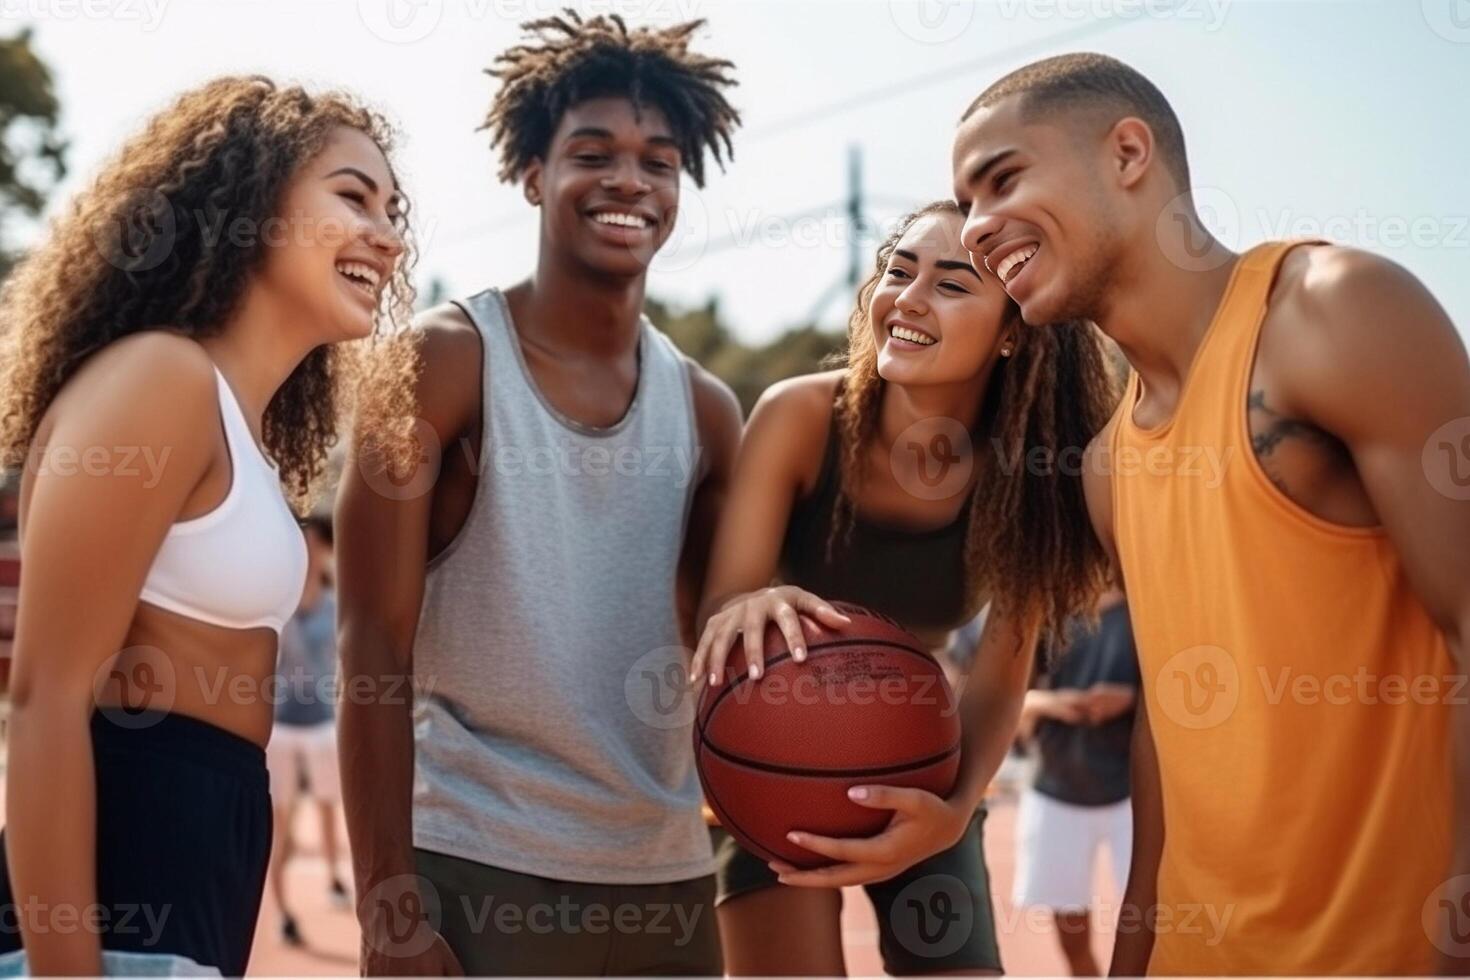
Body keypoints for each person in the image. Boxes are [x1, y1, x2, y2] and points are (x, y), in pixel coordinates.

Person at [952, 52, 1470, 973]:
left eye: (1003, 179)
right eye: (967, 205)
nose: (980, 227)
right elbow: (1166, 730)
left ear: (1128, 152)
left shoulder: (1331, 311)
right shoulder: (1109, 462)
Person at [335, 11, 743, 976]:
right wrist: (389, 907)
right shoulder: (442, 361)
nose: (629, 181)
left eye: (660, 160)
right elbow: (371, 645)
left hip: (667, 878)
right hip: (478, 862)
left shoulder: (711, 411)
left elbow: (727, 645)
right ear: (532, 173)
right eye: (591, 152)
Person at [0, 75, 411, 975]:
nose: (385, 235)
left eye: (393, 209)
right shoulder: (162, 379)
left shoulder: (244, 434)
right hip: (117, 889)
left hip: (203, 878)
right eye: (351, 195)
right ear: (251, 202)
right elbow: (44, 705)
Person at [687, 200, 1119, 975]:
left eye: (952, 285)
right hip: (772, 748)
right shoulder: (801, 415)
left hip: (919, 757)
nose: (909, 298)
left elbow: (1001, 673)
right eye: (899, 270)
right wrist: (751, 601)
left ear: (1013, 330)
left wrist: (952, 817)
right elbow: (724, 604)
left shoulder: (1029, 470)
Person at [1013, 589, 1136, 975]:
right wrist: (1055, 703)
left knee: (1154, 924)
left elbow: (1180, 694)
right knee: (1072, 938)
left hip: (1130, 795)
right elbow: (1010, 699)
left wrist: (1130, 699)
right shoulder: (1046, 613)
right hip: (1055, 789)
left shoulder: (1144, 609)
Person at [265, 515, 349, 948]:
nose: (309, 550)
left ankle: (335, 876)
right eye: (304, 542)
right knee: (279, 823)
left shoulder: (336, 606)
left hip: (321, 723)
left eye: (315, 544)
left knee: (329, 805)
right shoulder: (275, 603)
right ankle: (284, 914)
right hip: (280, 725)